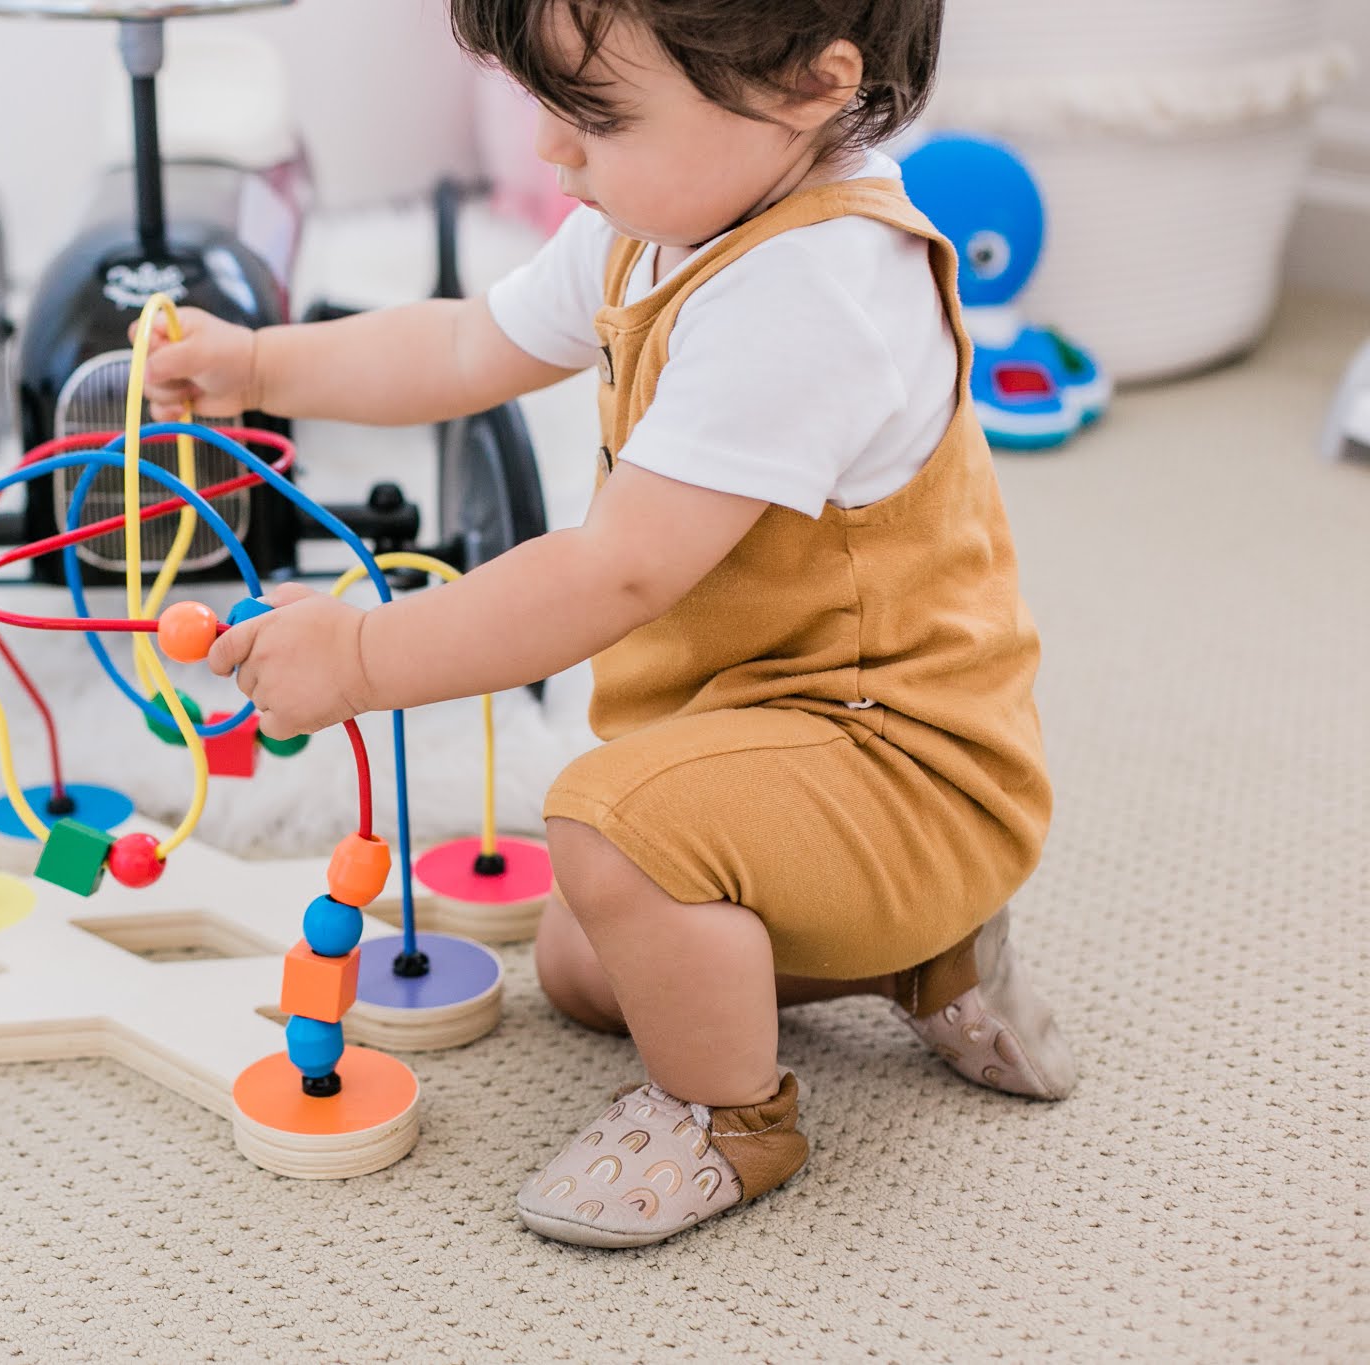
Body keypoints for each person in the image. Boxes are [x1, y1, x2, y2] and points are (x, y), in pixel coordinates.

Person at [138, 0, 1076, 1248]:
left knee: (607, 836)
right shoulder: (660, 224)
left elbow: (613, 574)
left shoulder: (812, 291)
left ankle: (728, 1118)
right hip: (765, 736)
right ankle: (919, 959)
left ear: (808, 84)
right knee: (587, 968)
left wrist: (362, 655)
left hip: (899, 765)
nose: (547, 151)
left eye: (591, 112)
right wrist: (263, 368)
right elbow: (470, 342)